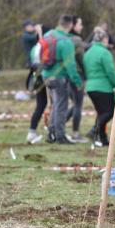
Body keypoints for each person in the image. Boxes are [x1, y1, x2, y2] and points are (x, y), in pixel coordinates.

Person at [41, 14, 83, 144]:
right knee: (61, 107)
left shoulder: (48, 35)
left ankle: (51, 134)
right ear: (70, 25)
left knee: (55, 105)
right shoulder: (66, 42)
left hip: (46, 75)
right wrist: (77, 81)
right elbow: (70, 65)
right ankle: (60, 136)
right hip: (59, 77)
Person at [83, 27, 115, 146]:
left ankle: (103, 139)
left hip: (90, 87)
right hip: (103, 87)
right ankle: (95, 131)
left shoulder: (88, 52)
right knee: (110, 111)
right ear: (104, 39)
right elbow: (110, 72)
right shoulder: (104, 52)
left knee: (101, 112)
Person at [66, 16, 88, 143]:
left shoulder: (63, 38)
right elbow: (81, 58)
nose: (82, 26)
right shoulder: (76, 39)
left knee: (71, 104)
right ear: (73, 25)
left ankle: (58, 126)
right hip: (77, 74)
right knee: (78, 105)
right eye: (80, 24)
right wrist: (86, 74)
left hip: (65, 76)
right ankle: (75, 133)